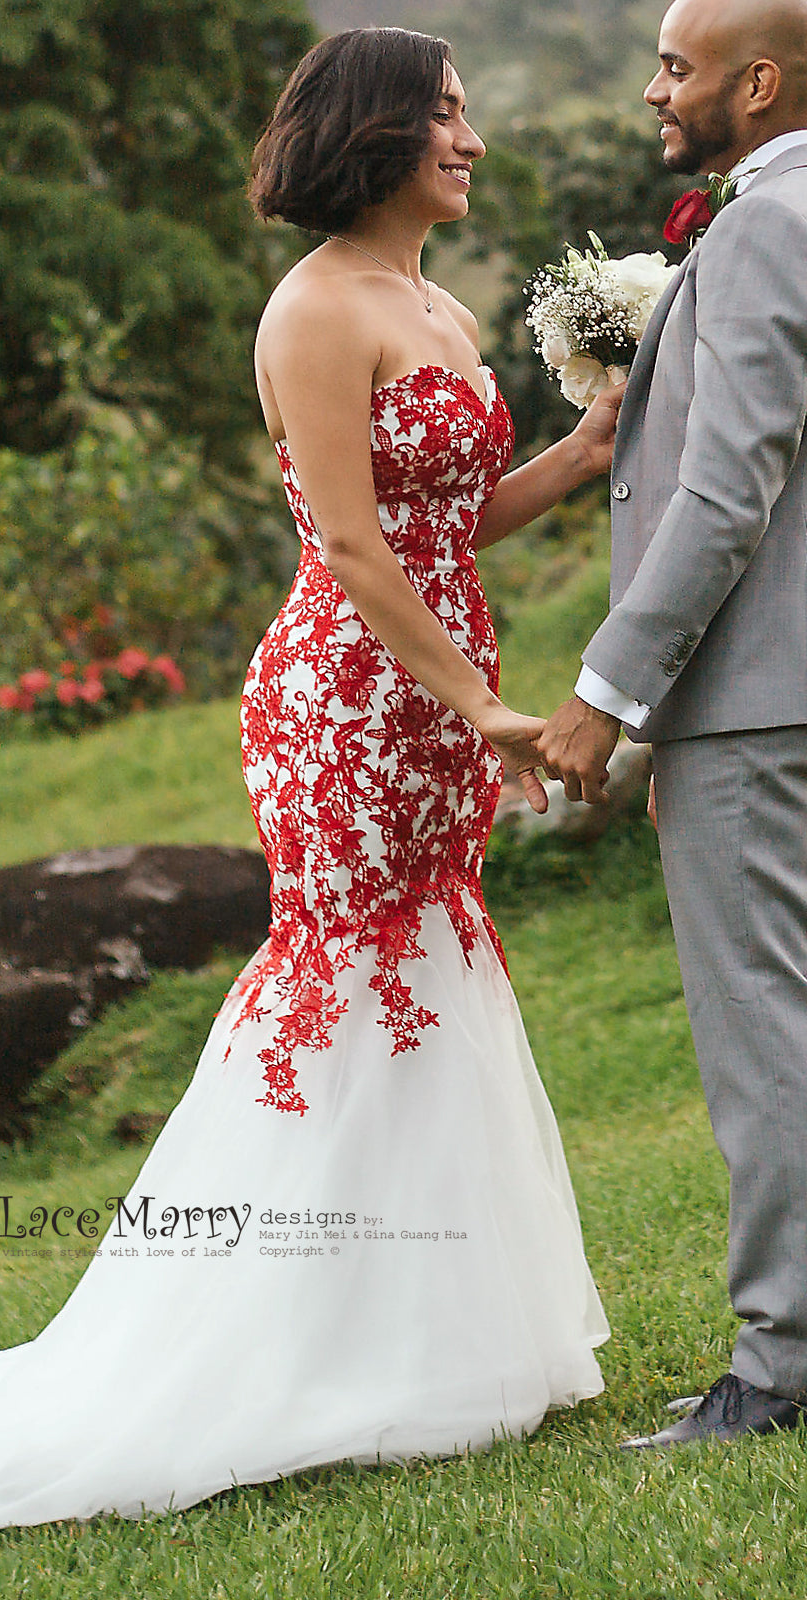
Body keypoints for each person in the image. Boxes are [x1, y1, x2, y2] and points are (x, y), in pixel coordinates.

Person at [0, 29, 613, 1550]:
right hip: (351, 704)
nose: (472, 140)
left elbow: (455, 520)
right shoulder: (313, 310)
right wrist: (480, 702)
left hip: (431, 697)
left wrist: (593, 445)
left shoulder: (445, 308)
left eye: (471, 116)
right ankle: (256, 1347)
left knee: (428, 963)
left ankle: (430, 1337)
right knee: (342, 985)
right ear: (379, 136)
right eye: (449, 117)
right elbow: (352, 549)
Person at [538, 0, 807, 1447]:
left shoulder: (770, 226)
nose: (654, 90)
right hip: (777, 691)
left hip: (765, 701)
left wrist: (608, 699)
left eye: (678, 67)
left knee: (767, 1033)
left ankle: (784, 1366)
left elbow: (726, 488)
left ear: (758, 84)